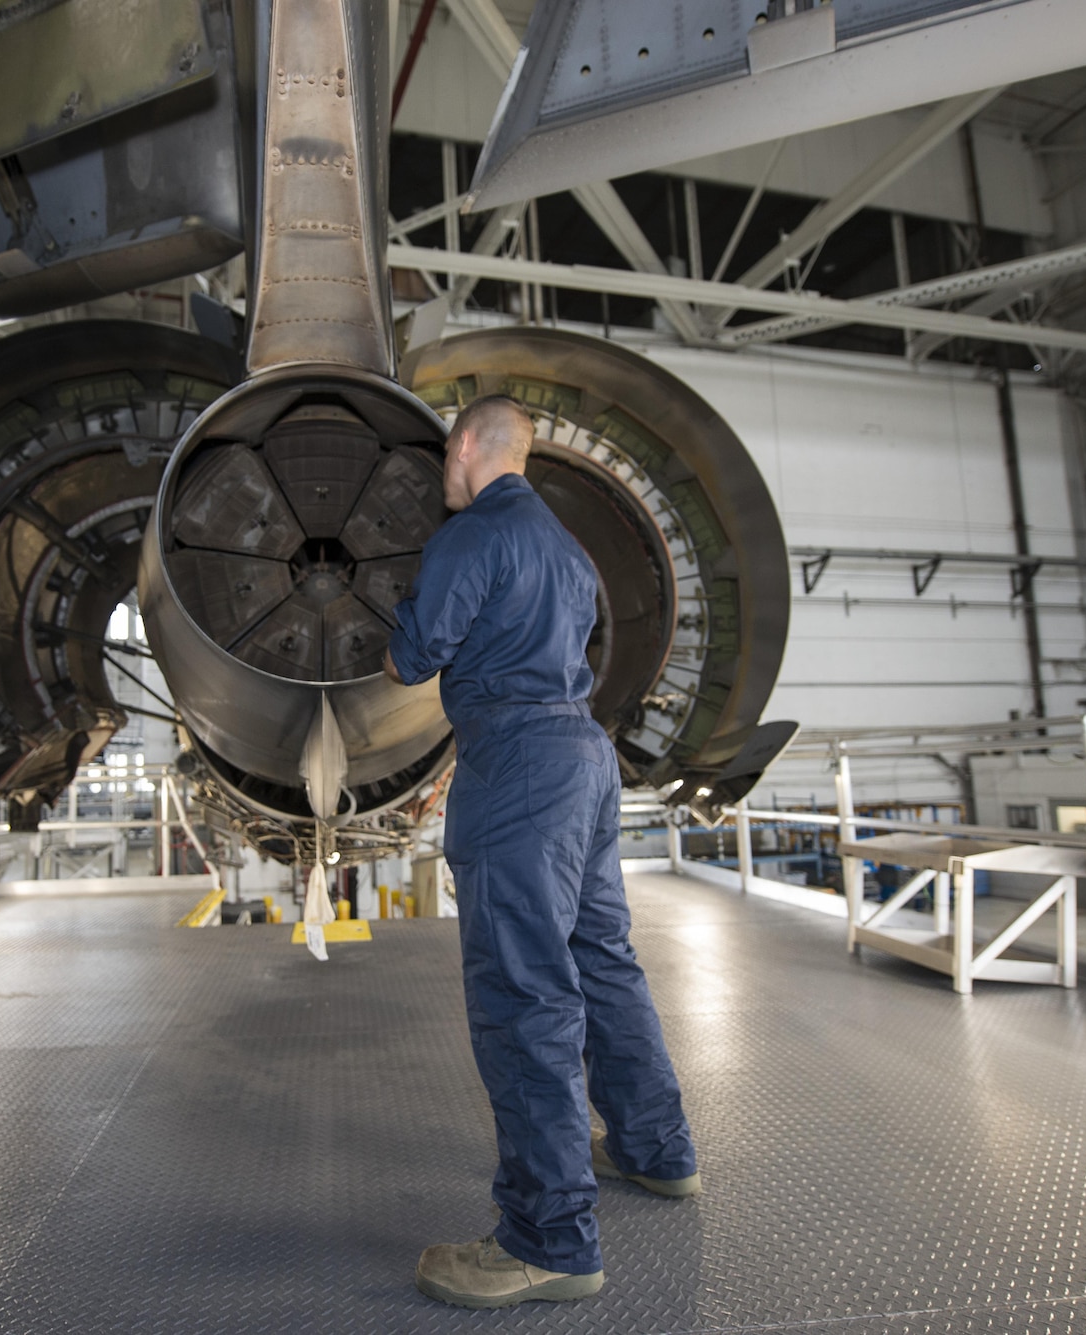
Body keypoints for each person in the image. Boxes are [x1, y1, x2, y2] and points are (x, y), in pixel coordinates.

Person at [385, 395, 700, 1310]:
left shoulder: (473, 536)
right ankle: (656, 1148)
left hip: (519, 768)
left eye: (447, 451)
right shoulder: (565, 547)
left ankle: (548, 1236)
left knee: (523, 992)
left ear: (466, 447)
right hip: (583, 759)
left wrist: (398, 602)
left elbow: (412, 657)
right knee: (602, 959)